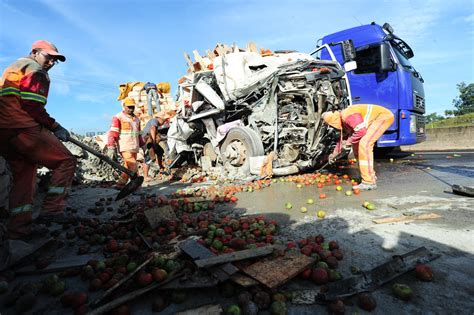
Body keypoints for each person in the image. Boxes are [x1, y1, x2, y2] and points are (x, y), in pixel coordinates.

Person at [0, 40, 77, 239]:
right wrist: (55, 127)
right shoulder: (35, 71)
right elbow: (32, 106)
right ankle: (52, 211)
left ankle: (18, 230)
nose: (51, 62)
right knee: (66, 161)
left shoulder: (13, 68)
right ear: (35, 52)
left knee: (24, 177)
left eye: (55, 60)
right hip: (23, 127)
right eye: (48, 57)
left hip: (5, 132)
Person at [322, 104, 394, 190]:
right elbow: (342, 139)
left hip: (383, 117)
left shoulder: (347, 115)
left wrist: (348, 142)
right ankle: (368, 175)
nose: (331, 127)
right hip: (378, 118)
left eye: (330, 125)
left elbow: (361, 131)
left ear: (333, 120)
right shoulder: (342, 122)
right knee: (357, 147)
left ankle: (368, 182)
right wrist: (334, 154)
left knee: (365, 144)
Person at [107, 97, 144, 189]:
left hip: (134, 147)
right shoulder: (118, 117)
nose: (131, 109)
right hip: (125, 146)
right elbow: (113, 132)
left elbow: (139, 134)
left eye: (132, 107)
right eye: (129, 107)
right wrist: (111, 146)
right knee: (133, 166)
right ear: (124, 106)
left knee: (128, 166)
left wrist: (143, 145)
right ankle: (136, 186)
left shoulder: (137, 119)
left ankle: (121, 184)